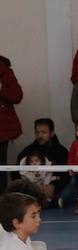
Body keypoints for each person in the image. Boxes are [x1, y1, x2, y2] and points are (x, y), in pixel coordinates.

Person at [14, 119, 70, 207]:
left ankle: (37, 203)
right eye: (37, 132)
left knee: (70, 191)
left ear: (51, 133)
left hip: (53, 188)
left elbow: (67, 176)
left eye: (43, 132)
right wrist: (30, 186)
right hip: (31, 188)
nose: (39, 135)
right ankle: (49, 203)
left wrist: (54, 186)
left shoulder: (62, 151)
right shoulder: (27, 151)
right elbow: (15, 173)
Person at [0, 55, 22, 193]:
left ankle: (1, 198)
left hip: (2, 129)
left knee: (1, 167)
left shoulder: (5, 72)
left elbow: (17, 96)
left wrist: (1, 89)